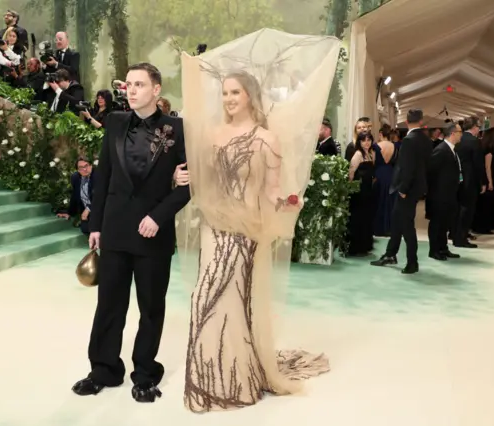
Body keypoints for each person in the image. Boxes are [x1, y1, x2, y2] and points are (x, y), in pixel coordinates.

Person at [174, 32, 340, 412]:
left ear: (249, 95)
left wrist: (285, 200)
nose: (229, 99)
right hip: (214, 225)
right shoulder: (213, 135)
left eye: (235, 93)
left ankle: (240, 379)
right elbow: (204, 182)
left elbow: (271, 189)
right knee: (204, 297)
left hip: (247, 228)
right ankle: (209, 376)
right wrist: (182, 178)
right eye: (225, 94)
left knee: (232, 300)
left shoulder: (267, 139)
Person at [72, 62, 190, 403]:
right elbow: (104, 176)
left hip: (154, 233)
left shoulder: (178, 129)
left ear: (156, 90)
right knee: (109, 305)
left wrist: (159, 216)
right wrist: (96, 225)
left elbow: (189, 184)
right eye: (128, 84)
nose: (132, 90)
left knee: (151, 307)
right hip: (115, 231)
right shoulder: (114, 122)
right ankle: (103, 370)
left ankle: (145, 374)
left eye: (139, 84)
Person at [371, 109, 430, 274]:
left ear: (406, 122)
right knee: (397, 220)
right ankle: (391, 254)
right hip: (416, 188)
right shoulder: (426, 140)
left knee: (407, 226)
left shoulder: (410, 140)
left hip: (407, 189)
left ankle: (413, 262)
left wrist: (403, 189)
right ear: (421, 121)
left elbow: (408, 168)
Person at [426, 123, 462, 260]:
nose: (461, 135)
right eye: (460, 132)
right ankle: (434, 250)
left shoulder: (452, 149)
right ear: (453, 133)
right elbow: (431, 172)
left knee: (445, 222)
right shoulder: (441, 150)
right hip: (439, 194)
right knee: (437, 223)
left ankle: (443, 247)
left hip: (448, 194)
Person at [453, 116, 486, 248]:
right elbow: (479, 165)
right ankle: (461, 237)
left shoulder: (458, 140)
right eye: (478, 127)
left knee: (458, 208)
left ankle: (455, 233)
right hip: (470, 180)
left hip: (458, 178)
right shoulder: (474, 142)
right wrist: (483, 182)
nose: (479, 129)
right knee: (468, 210)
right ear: (474, 127)